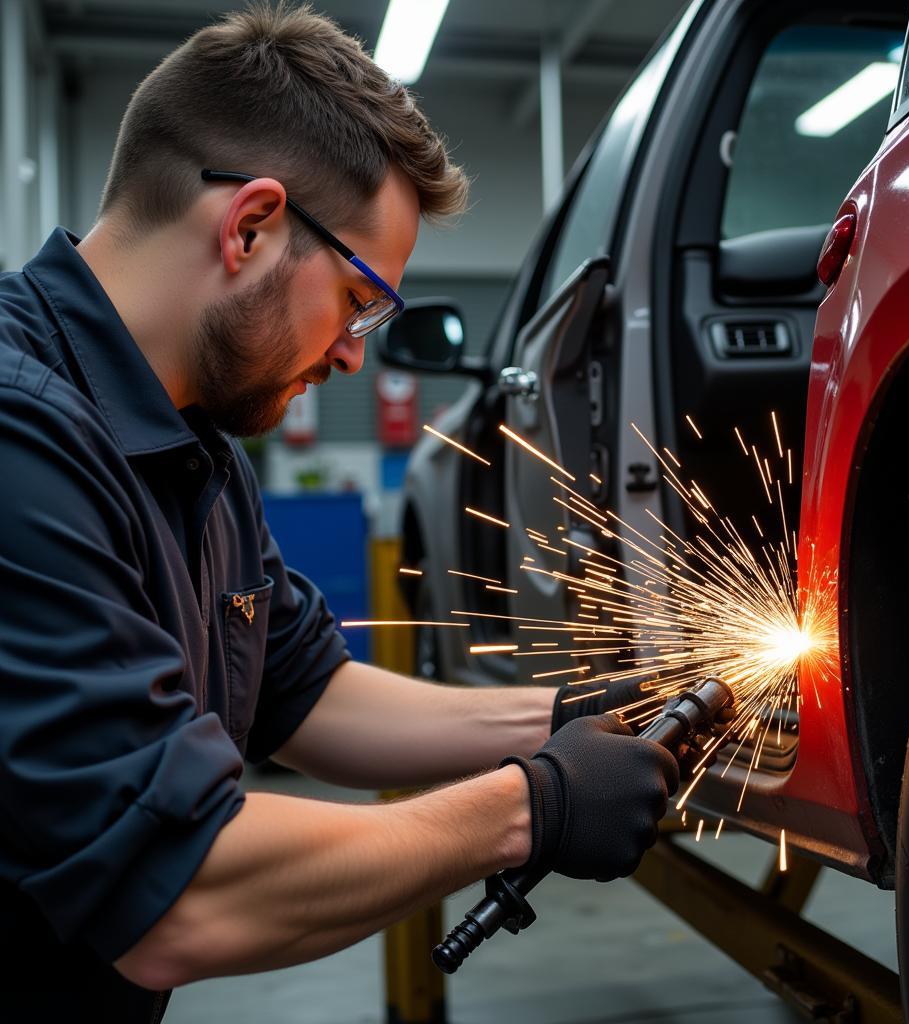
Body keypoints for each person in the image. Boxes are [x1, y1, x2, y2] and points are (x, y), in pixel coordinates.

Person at [0, 4, 680, 1019]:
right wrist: (529, 807)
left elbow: (312, 696)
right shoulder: (22, 440)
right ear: (250, 225)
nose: (357, 352)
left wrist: (570, 714)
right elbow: (177, 895)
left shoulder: (199, 452)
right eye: (361, 299)